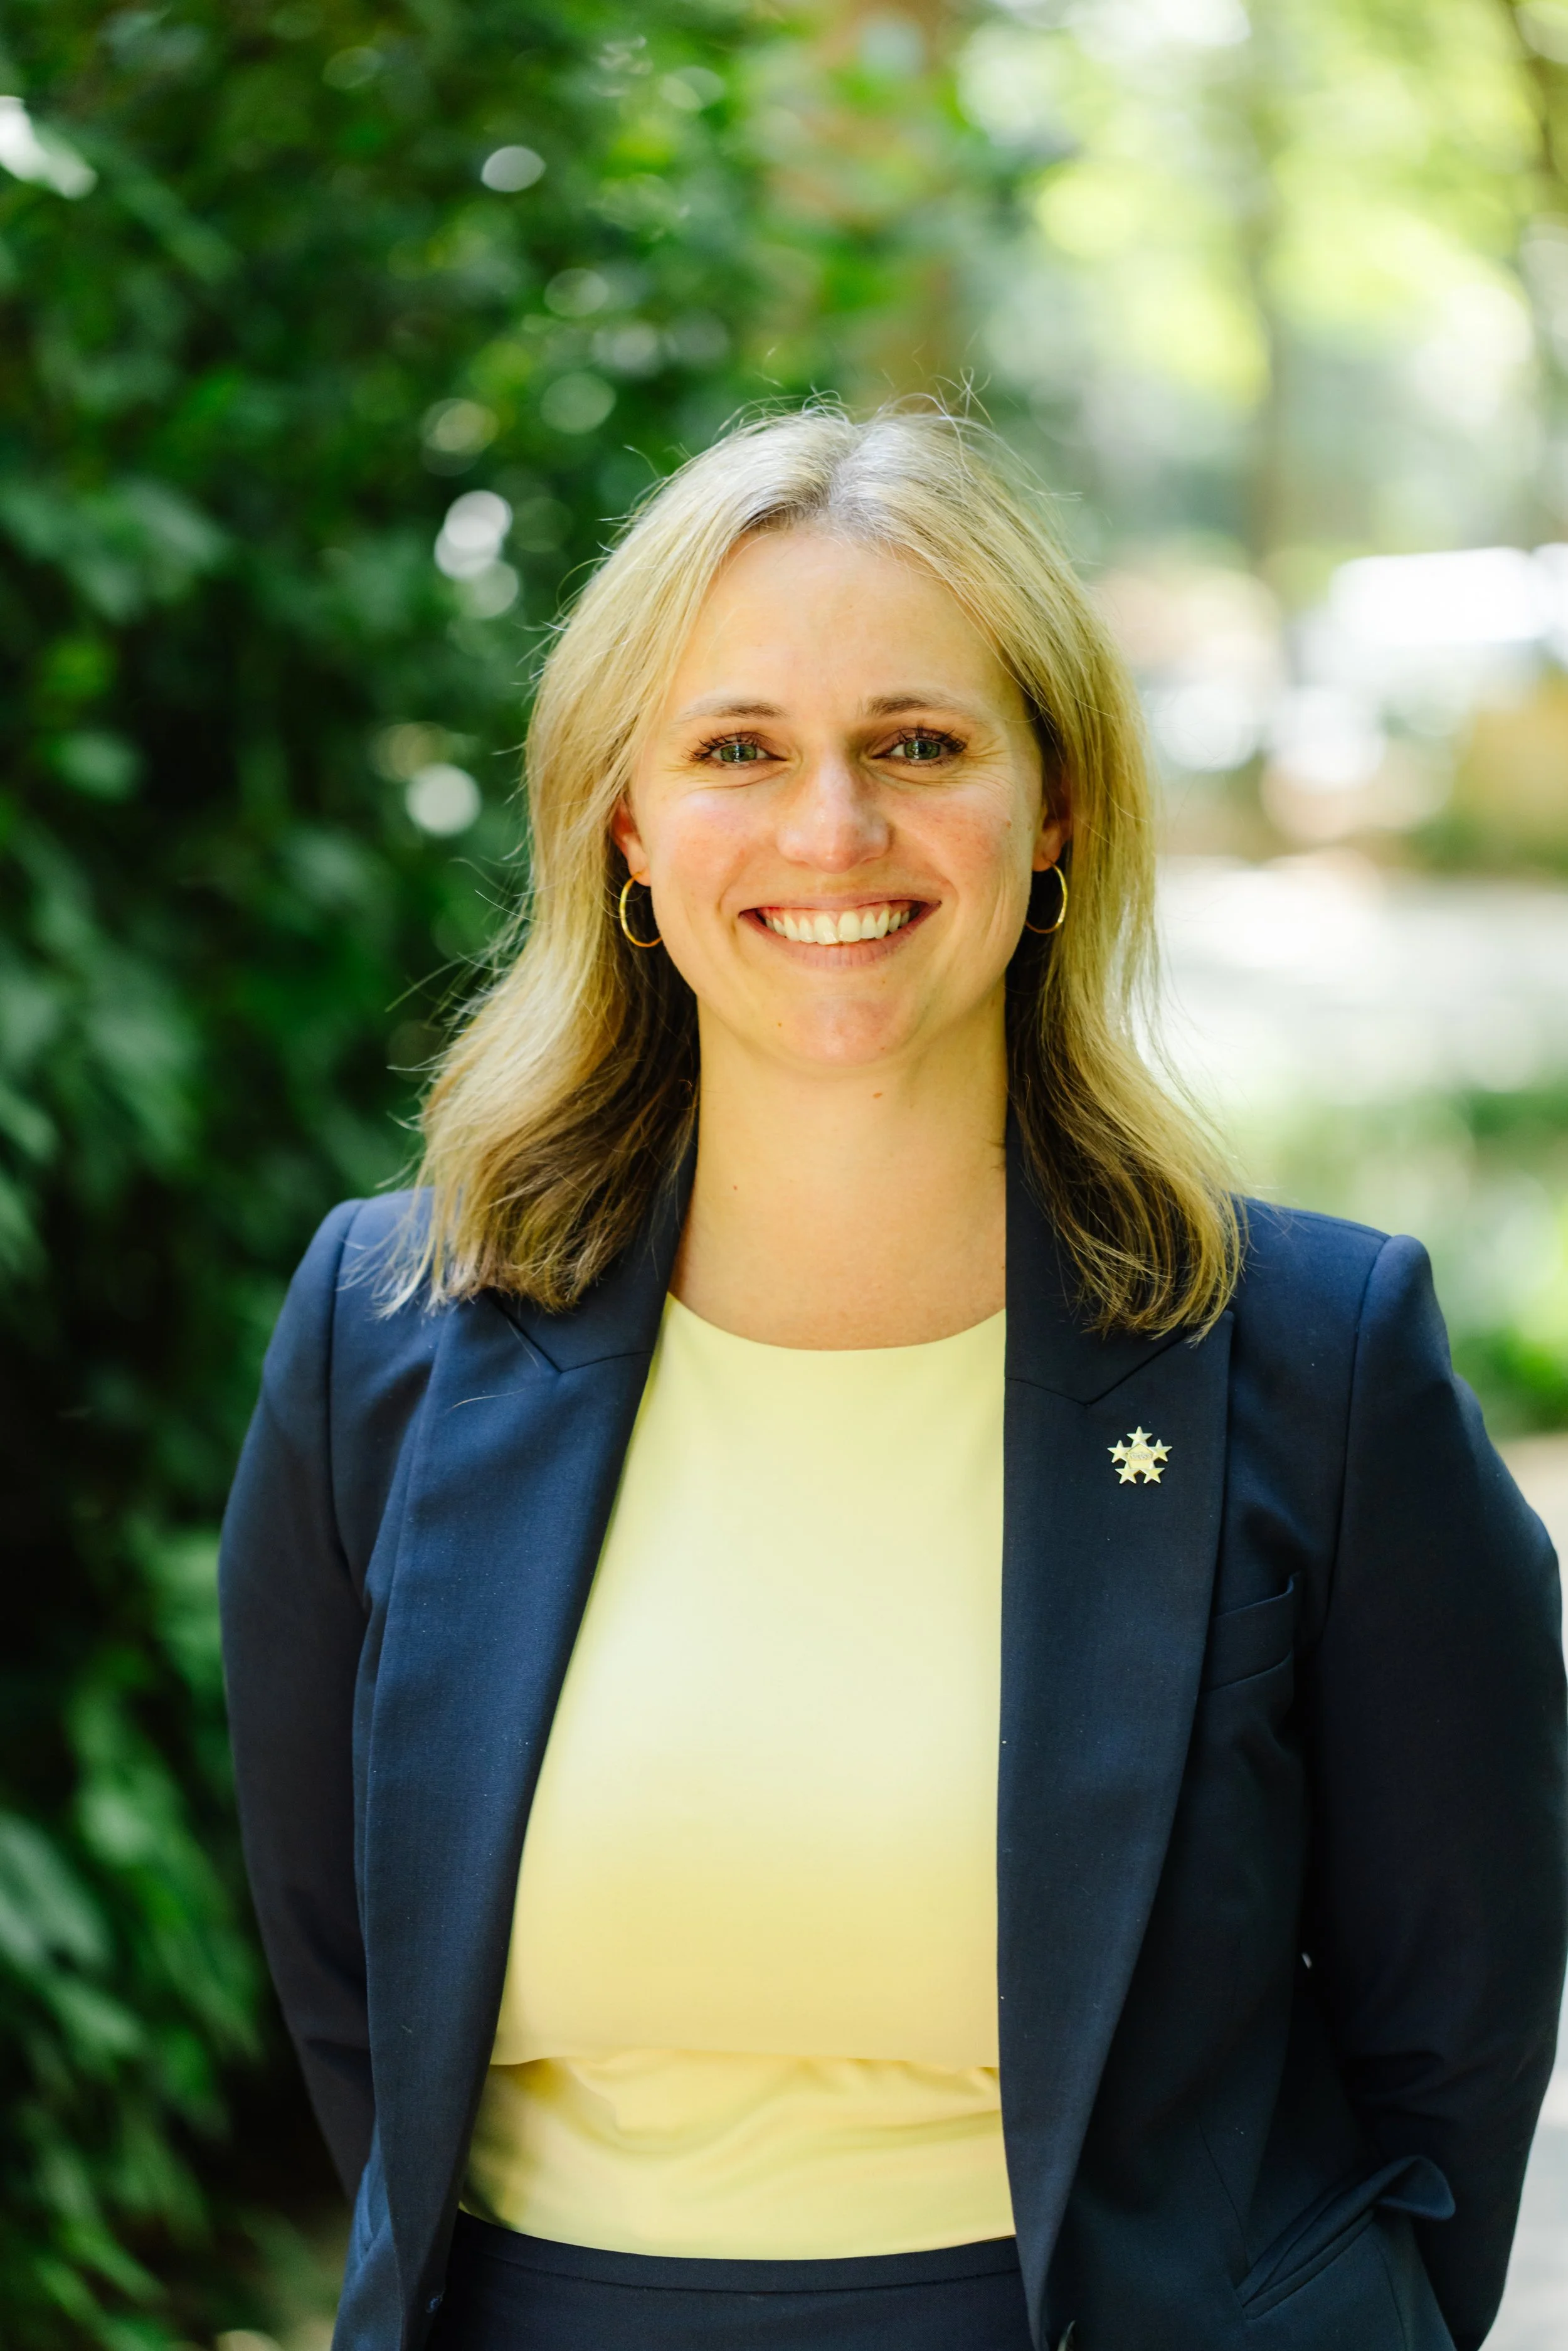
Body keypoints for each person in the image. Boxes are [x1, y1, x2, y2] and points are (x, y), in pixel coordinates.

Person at [219, 405, 1566, 2351]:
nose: (829, 829)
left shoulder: (1313, 1353)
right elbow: (350, 1979)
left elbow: (1455, 2019)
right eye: (736, 750)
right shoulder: (390, 1323)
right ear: (624, 824)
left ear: (1056, 806)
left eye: (917, 745)